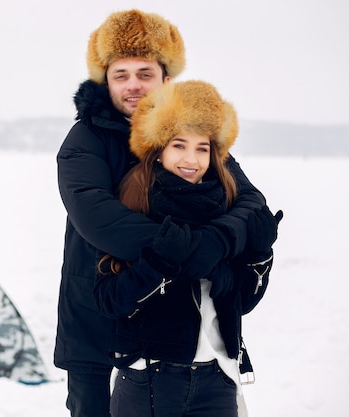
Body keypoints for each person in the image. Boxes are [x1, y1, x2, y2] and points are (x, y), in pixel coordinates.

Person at [55, 9, 267, 417]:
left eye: (144, 72)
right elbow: (98, 218)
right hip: (97, 322)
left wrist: (217, 241)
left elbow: (250, 201)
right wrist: (188, 250)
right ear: (106, 79)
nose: (133, 84)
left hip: (173, 330)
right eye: (121, 74)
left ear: (165, 79)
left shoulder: (183, 133)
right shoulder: (85, 139)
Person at [93, 80, 282, 417]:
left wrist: (259, 255)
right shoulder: (133, 205)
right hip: (148, 377)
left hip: (218, 377)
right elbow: (109, 301)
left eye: (202, 148)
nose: (191, 159)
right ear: (160, 149)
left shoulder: (227, 208)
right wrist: (159, 263)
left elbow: (242, 303)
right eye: (179, 145)